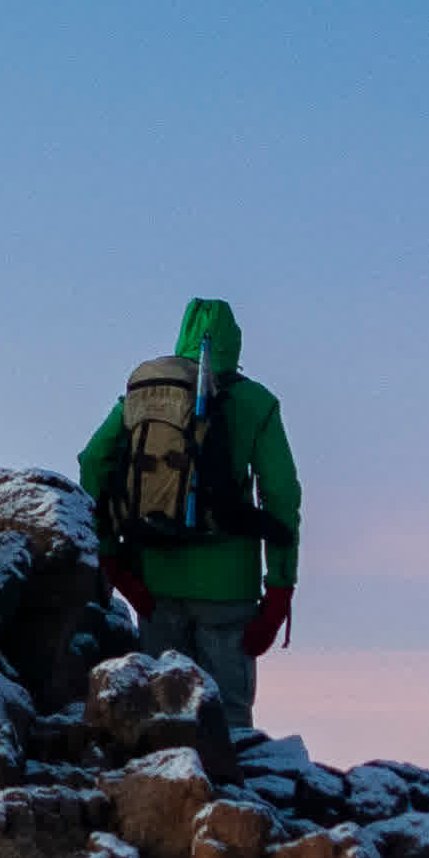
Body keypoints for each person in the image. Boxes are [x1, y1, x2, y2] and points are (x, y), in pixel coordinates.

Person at [80, 298, 300, 726]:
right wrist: (279, 590)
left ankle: (167, 789)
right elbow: (283, 494)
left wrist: (112, 557)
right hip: (229, 590)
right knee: (229, 723)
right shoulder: (257, 402)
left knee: (160, 716)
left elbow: (93, 460)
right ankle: (223, 792)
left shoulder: (146, 396)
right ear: (235, 344)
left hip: (154, 582)